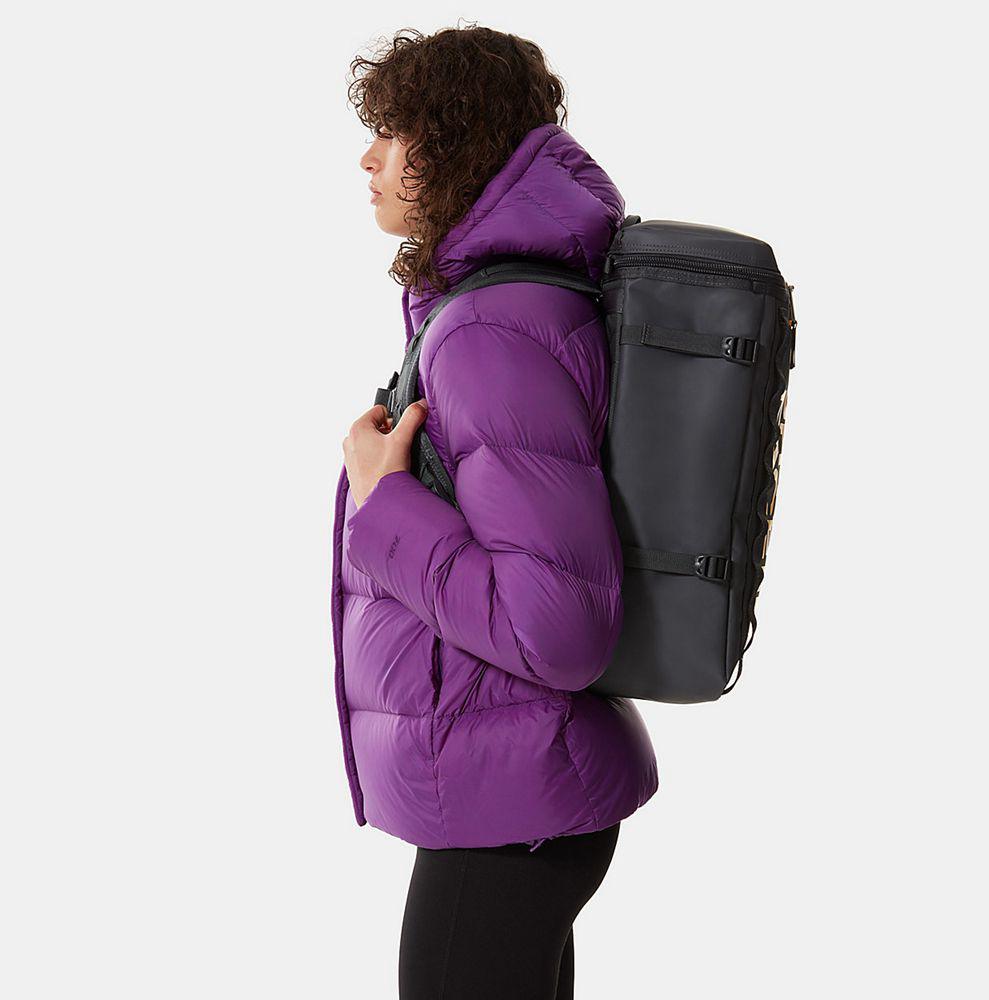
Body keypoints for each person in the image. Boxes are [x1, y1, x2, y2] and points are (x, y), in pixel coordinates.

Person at [332, 25, 658, 999]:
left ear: (455, 142)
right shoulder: (496, 309)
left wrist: (384, 503)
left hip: (507, 812)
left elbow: (555, 627)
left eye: (393, 132)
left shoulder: (490, 330)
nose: (368, 159)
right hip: (511, 793)